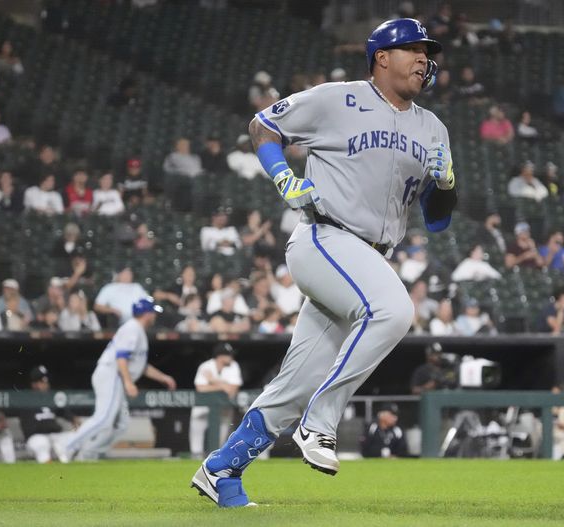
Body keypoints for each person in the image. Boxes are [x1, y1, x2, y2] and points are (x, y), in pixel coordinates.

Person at [193, 18, 456, 507]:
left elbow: (436, 222)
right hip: (325, 238)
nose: (425, 58)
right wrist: (282, 177)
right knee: (395, 311)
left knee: (294, 384)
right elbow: (263, 125)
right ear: (382, 57)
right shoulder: (339, 98)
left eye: (428, 51)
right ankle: (321, 422)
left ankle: (222, 468)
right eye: (414, 49)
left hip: (368, 259)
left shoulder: (433, 127)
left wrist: (445, 186)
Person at [65, 297, 175, 461]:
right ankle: (66, 445)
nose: (154, 315)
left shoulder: (137, 330)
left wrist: (163, 377)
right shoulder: (132, 328)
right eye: (152, 312)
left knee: (121, 424)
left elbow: (140, 366)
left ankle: (88, 453)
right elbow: (121, 357)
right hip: (112, 374)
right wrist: (129, 382)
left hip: (116, 376)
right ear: (146, 313)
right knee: (103, 418)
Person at [189, 344, 243, 457]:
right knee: (196, 444)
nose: (231, 357)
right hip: (202, 409)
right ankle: (195, 463)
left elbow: (232, 391)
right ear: (220, 356)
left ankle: (214, 468)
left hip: (223, 410)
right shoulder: (206, 366)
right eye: (228, 355)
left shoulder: (233, 366)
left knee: (220, 445)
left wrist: (213, 380)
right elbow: (200, 388)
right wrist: (223, 385)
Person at [20, 366, 76, 463]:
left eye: (46, 382)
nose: (45, 385)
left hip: (54, 435)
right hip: (36, 437)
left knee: (74, 439)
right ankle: (49, 472)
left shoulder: (51, 398)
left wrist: (74, 420)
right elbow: (29, 428)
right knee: (42, 444)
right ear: (34, 384)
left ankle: (66, 468)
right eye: (42, 382)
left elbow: (64, 412)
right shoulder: (26, 399)